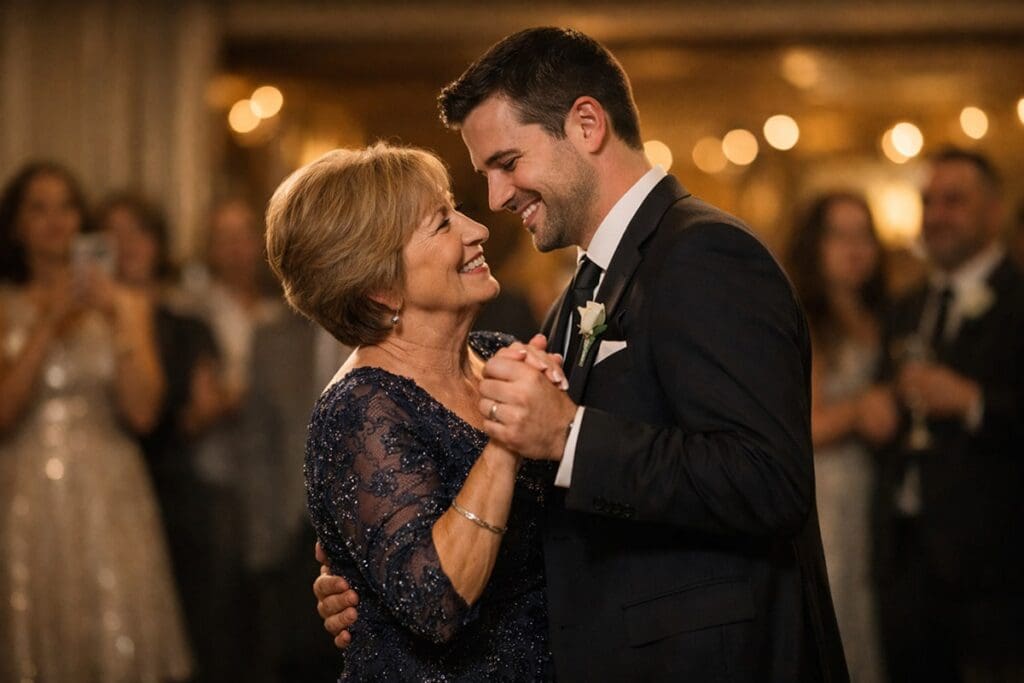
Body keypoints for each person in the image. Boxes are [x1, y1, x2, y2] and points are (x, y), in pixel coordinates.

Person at [317, 27, 848, 681]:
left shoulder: (704, 255)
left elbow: (769, 479)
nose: (496, 197)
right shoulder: (581, 291)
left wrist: (569, 434)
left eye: (507, 161)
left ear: (587, 125)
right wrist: (372, 583)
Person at [266, 143, 565, 680]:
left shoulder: (499, 353)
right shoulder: (358, 410)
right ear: (381, 288)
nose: (478, 230)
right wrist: (507, 436)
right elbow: (435, 603)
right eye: (443, 223)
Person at [0, 162, 192, 682]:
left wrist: (116, 317)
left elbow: (144, 412)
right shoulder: (5, 305)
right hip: (24, 492)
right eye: (38, 208)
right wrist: (48, 322)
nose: (54, 220)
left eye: (65, 206)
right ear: (16, 224)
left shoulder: (125, 301)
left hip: (110, 488)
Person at [874, 147, 1024, 682]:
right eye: (928, 201)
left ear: (994, 211)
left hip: (994, 574)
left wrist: (973, 402)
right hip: (905, 563)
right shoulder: (907, 306)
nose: (935, 215)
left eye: (953, 202)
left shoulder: (1017, 299)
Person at [97, 192, 231, 683]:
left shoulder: (186, 325)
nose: (126, 244)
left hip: (173, 482)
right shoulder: (86, 323)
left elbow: (199, 410)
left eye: (138, 231)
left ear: (157, 244)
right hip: (97, 484)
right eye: (112, 233)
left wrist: (218, 404)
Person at [786, 193, 898, 683]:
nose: (855, 248)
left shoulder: (886, 316)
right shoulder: (807, 319)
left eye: (864, 235)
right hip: (829, 490)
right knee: (842, 608)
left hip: (877, 489)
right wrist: (858, 412)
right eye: (840, 235)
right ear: (816, 246)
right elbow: (802, 427)